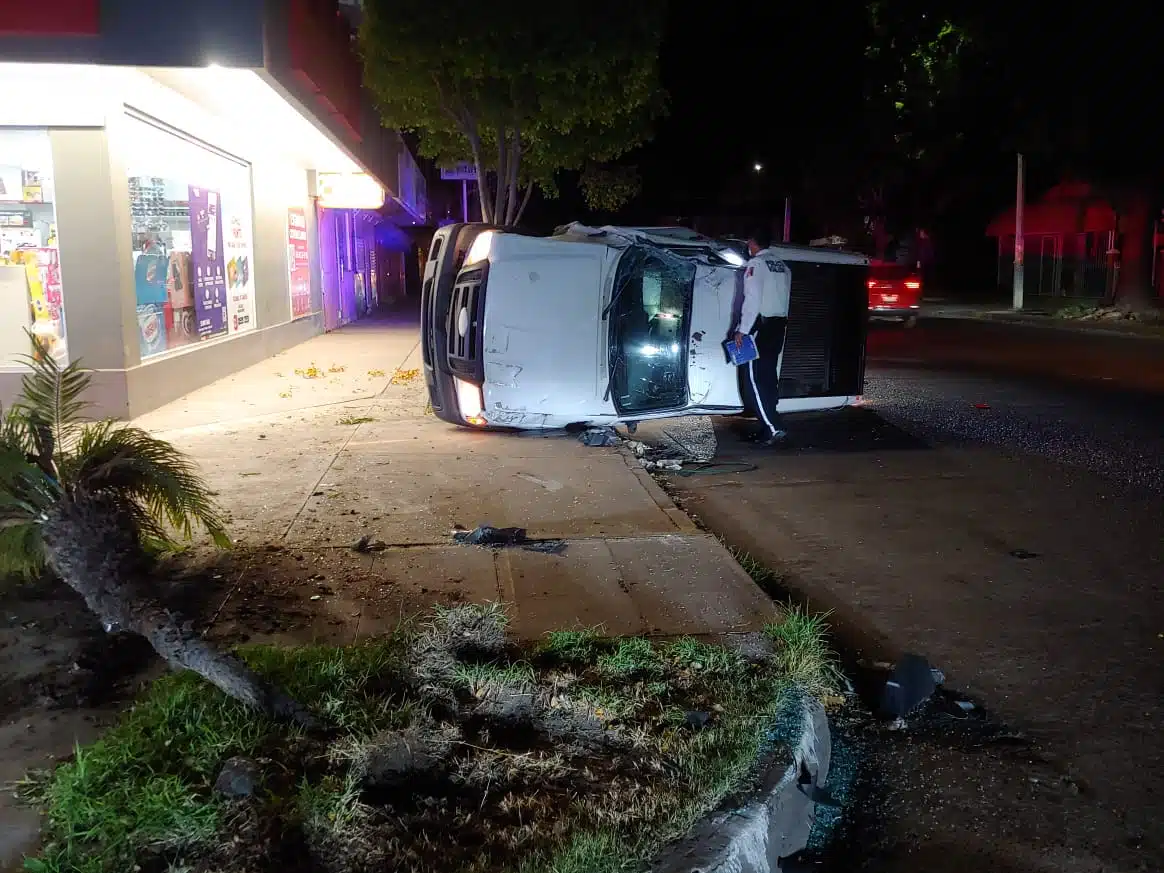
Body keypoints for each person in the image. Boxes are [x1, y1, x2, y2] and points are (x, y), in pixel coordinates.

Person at [733, 227, 791, 446]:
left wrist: (743, 329)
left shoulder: (756, 265)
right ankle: (769, 424)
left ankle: (772, 427)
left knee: (754, 379)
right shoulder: (782, 266)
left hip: (759, 326)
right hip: (777, 325)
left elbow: (752, 299)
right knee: (767, 377)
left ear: (752, 243)